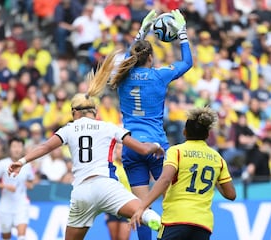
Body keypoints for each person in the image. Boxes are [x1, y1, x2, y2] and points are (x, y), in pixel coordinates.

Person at [7, 56, 165, 240]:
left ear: (75, 112)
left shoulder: (68, 129)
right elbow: (143, 149)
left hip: (81, 191)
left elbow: (45, 147)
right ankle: (156, 222)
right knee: (143, 211)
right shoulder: (108, 126)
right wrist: (155, 146)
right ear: (94, 112)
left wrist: (22, 161)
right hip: (107, 186)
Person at [101, 9, 193, 239]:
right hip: (156, 147)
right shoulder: (160, 75)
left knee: (142, 208)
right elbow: (187, 62)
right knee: (174, 200)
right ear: (151, 57)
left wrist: (140, 33)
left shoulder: (121, 75)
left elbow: (125, 60)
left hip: (131, 147)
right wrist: (181, 33)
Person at [130, 107, 236, 240]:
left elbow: (165, 180)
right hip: (203, 224)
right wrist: (214, 178)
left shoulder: (177, 151)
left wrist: (142, 207)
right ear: (208, 135)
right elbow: (231, 195)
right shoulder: (218, 159)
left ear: (184, 132)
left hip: (176, 218)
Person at [0, 137, 35, 240]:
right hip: (5, 205)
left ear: (22, 148)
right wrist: (5, 186)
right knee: (6, 236)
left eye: (19, 146)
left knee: (22, 236)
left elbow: (31, 183)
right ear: (9, 148)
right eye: (14, 146)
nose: (17, 149)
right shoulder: (3, 164)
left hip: (21, 204)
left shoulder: (27, 165)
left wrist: (28, 184)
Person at [105, 143, 131, 240]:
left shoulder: (131, 166)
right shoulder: (110, 166)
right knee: (114, 238)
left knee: (123, 238)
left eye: (123, 149)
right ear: (115, 150)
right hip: (112, 206)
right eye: (119, 148)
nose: (121, 151)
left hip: (128, 205)